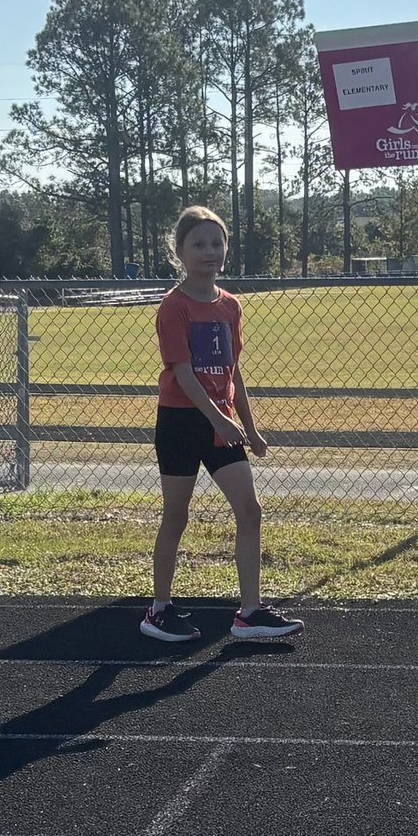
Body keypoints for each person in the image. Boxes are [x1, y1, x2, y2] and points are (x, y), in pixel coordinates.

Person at [141, 205, 304, 643]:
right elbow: (182, 373)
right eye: (199, 244)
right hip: (181, 422)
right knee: (176, 515)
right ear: (180, 251)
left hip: (222, 424)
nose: (210, 252)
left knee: (250, 511)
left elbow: (233, 372)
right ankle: (159, 610)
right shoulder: (174, 307)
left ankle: (249, 613)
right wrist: (220, 418)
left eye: (217, 243)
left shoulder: (230, 306)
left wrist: (249, 426)